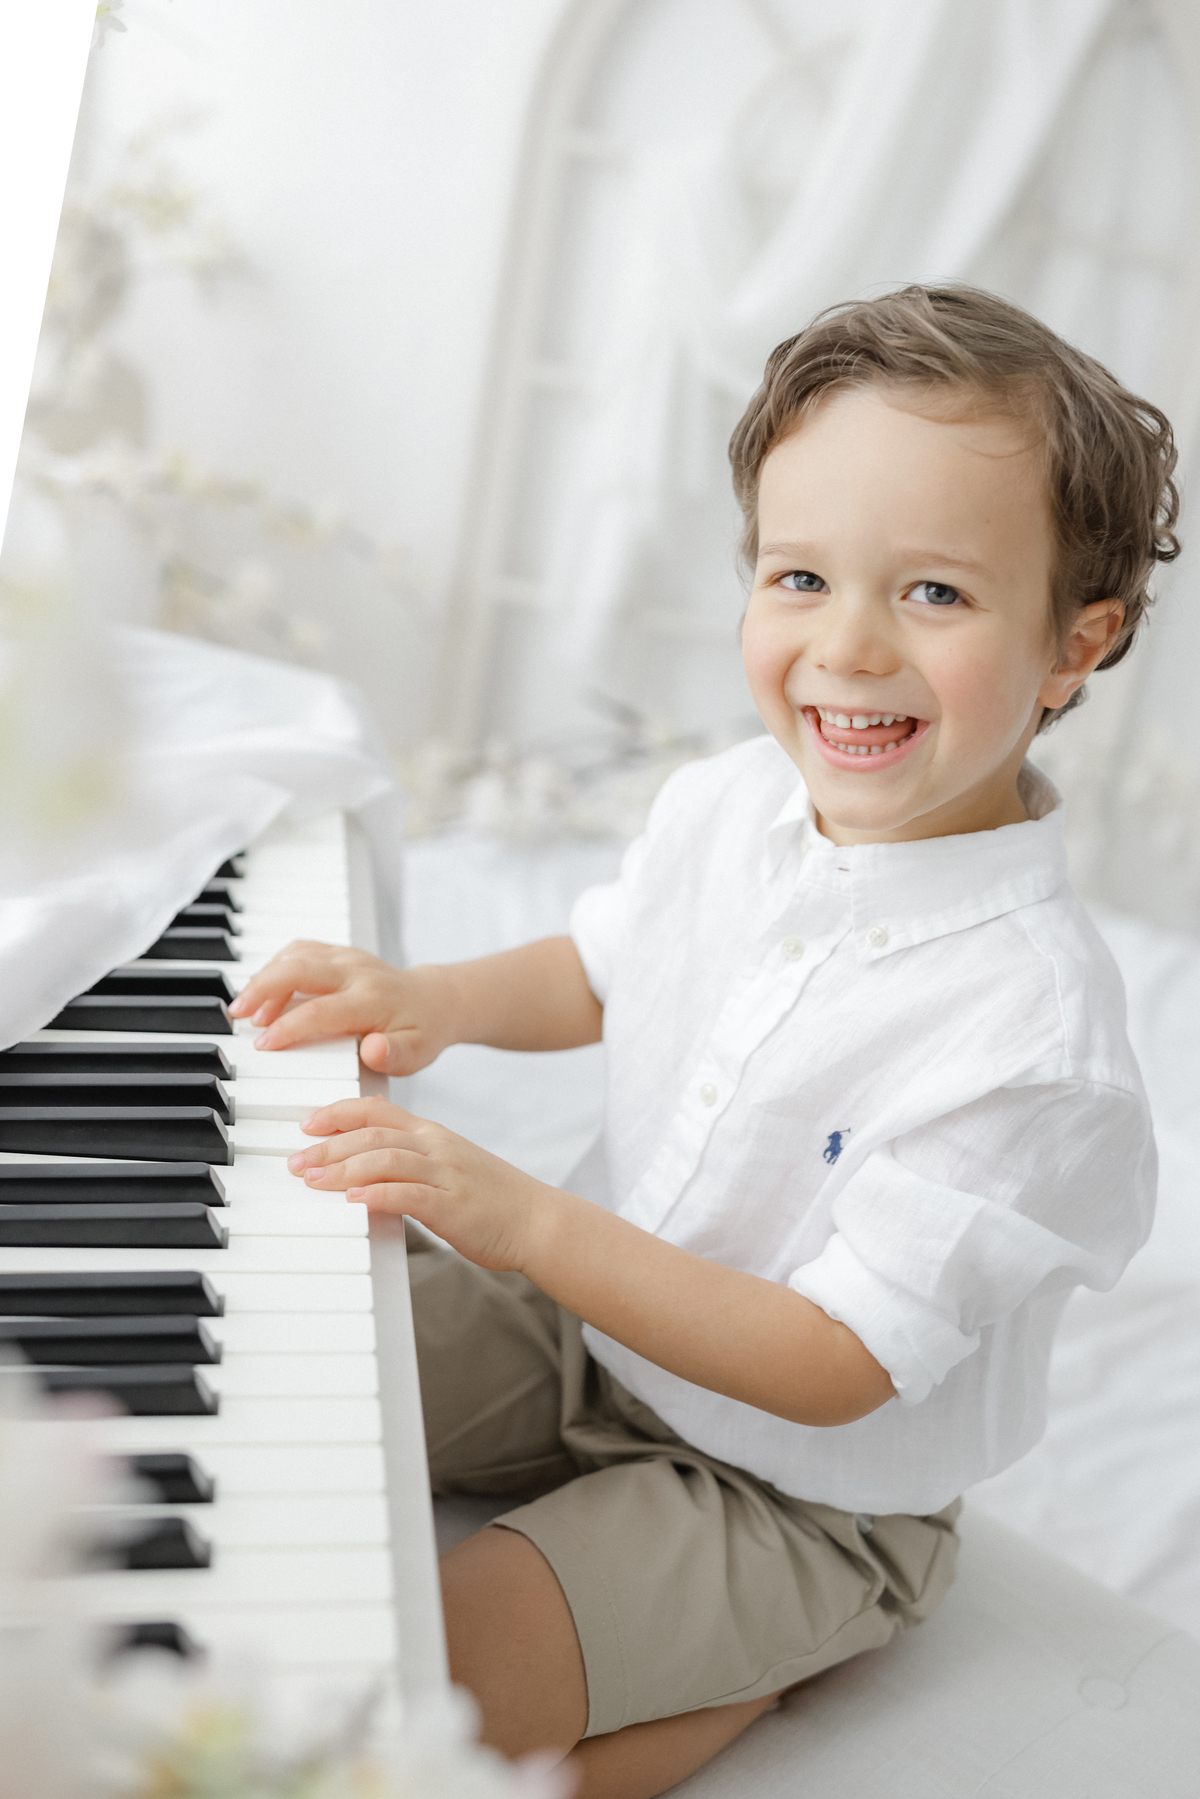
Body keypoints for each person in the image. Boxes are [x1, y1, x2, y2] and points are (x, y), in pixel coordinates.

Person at [231, 285, 1173, 1799]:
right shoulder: (729, 805)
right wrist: (441, 999)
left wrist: (526, 1218)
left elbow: (832, 1365)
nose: (847, 647)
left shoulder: (1033, 1045)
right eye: (801, 576)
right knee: (270, 1335)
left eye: (935, 594)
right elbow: (606, 965)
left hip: (791, 1488)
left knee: (423, 1701)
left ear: (1077, 641)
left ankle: (794, 1644)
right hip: (591, 1340)